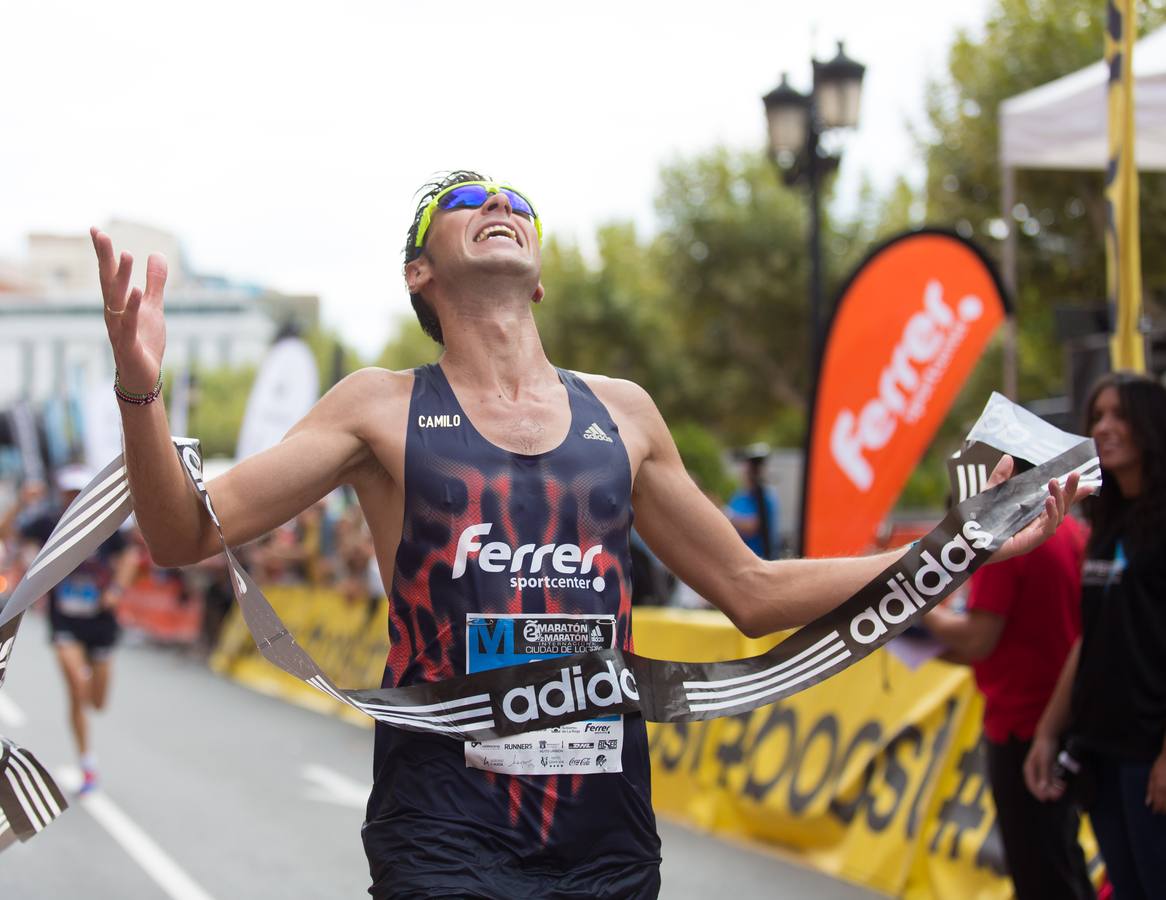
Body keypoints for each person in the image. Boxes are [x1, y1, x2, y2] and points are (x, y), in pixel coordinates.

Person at [91, 171, 1078, 899]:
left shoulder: (626, 416)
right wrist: (141, 389)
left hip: (604, 837)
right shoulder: (379, 412)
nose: (498, 203)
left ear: (539, 279)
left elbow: (751, 591)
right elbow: (184, 536)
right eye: (463, 197)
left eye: (514, 199)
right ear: (420, 271)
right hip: (443, 831)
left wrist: (957, 544)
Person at [1025, 372, 1166, 898]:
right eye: (1097, 417)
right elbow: (1092, 638)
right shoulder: (1107, 524)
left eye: (1119, 415)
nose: (1103, 428)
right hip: (1099, 747)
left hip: (1148, 752)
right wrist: (1048, 730)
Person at [924, 510, 1093, 899]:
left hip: (1024, 721)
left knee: (1040, 870)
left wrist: (915, 610)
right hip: (1058, 714)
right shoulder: (1067, 526)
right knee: (1059, 860)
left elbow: (978, 641)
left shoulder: (1008, 535)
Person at [1, 466, 140, 794]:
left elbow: (130, 557)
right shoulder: (49, 521)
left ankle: (89, 700)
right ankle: (87, 764)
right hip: (64, 620)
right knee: (77, 688)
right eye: (67, 493)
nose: (72, 498)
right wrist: (21, 503)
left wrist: (116, 590)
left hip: (100, 622)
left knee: (98, 702)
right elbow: (7, 533)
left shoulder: (106, 523)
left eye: (78, 492)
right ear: (61, 494)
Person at [725, 443, 780, 559]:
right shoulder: (737, 497)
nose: (754, 471)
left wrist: (726, 516)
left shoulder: (766, 497)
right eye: (751, 466)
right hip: (738, 560)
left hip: (761, 559)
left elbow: (752, 526)